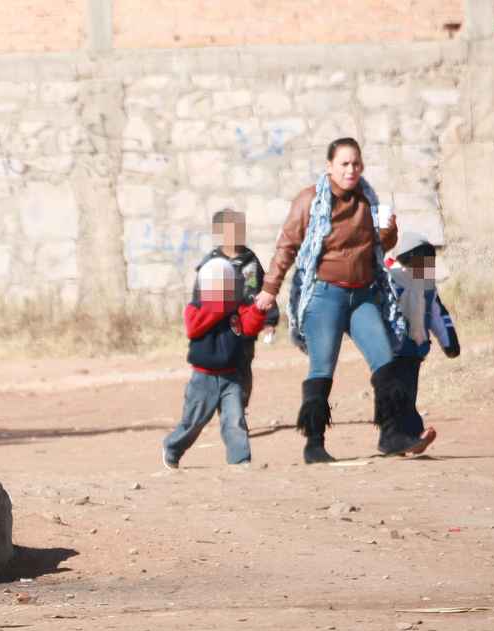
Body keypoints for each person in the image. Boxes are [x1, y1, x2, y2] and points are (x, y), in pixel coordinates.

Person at [256, 137, 431, 463]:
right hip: (324, 296)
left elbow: (379, 246)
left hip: (362, 294)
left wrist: (389, 231)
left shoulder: (367, 199)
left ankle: (393, 435)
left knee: (385, 361)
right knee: (322, 369)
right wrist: (269, 288)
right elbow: (287, 247)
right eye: (344, 164)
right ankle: (314, 445)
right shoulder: (308, 200)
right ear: (329, 166)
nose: (351, 170)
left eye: (356, 164)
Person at [163, 256, 268, 469]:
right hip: (204, 378)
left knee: (235, 420)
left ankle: (240, 460)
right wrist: (221, 306)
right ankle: (172, 447)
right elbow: (193, 328)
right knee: (194, 421)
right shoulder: (195, 308)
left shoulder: (236, 308)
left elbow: (249, 327)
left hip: (231, 376)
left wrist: (258, 309)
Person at [193, 210, 276, 409]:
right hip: (221, 328)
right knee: (223, 367)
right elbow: (199, 295)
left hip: (246, 327)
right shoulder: (211, 262)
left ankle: (238, 406)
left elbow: (263, 290)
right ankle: (227, 409)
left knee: (244, 364)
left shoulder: (251, 260)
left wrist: (269, 319)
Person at [386, 232, 460, 440]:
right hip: (394, 350)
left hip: (416, 351)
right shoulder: (389, 282)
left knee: (407, 394)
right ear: (406, 260)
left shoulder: (427, 287)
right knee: (405, 393)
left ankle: (393, 437)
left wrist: (449, 343)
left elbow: (437, 315)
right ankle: (414, 433)